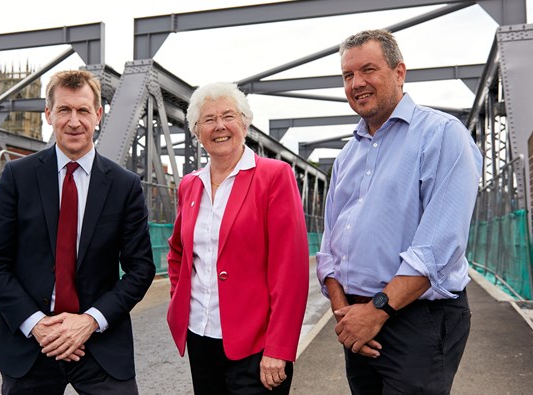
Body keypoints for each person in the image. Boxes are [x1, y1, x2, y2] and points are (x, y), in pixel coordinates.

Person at [316, 29, 482, 394]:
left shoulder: (442, 134)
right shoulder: (347, 156)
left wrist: (375, 312)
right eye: (347, 75)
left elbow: (439, 246)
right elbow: (330, 244)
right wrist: (345, 312)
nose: (357, 83)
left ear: (399, 72)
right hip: (357, 319)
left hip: (415, 318)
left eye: (368, 70)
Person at [0, 69, 156, 394]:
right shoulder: (18, 177)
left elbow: (141, 268)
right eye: (64, 110)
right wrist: (37, 325)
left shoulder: (124, 186)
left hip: (98, 339)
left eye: (83, 110)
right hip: (32, 340)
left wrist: (89, 321)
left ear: (98, 115)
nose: (74, 121)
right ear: (49, 114)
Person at [167, 82, 310, 394]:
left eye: (228, 116)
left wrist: (278, 348)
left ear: (244, 122)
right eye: (208, 119)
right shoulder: (190, 186)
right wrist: (180, 298)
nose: (219, 126)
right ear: (195, 130)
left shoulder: (274, 176)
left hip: (256, 346)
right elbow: (178, 251)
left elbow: (291, 272)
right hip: (200, 337)